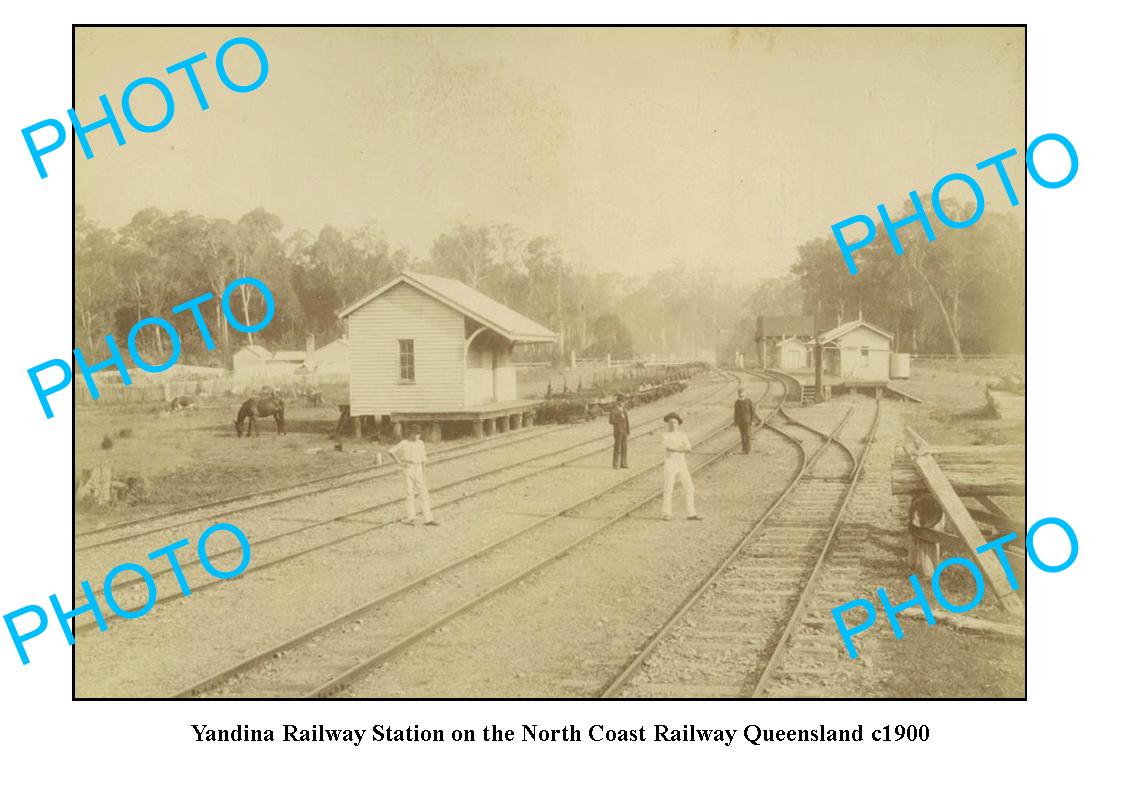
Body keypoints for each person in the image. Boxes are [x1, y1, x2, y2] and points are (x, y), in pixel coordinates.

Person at [388, 424, 438, 526]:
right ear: (411, 433)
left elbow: (424, 460)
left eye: (419, 434)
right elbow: (391, 452)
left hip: (419, 468)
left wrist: (424, 474)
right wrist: (400, 463)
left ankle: (428, 519)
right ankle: (412, 518)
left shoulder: (421, 443)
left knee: (423, 493)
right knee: (409, 493)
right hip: (408, 468)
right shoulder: (404, 443)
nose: (418, 436)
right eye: (416, 434)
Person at [661, 412, 701, 521]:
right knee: (668, 488)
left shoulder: (682, 434)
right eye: (671, 422)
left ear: (678, 423)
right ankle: (667, 513)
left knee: (689, 487)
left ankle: (691, 513)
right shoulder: (665, 435)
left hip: (682, 463)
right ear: (668, 424)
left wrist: (676, 449)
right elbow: (668, 448)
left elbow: (689, 448)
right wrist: (680, 448)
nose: (673, 424)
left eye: (675, 422)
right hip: (670, 462)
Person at [609, 394, 630, 468]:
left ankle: (623, 464)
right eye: (622, 402)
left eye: (624, 402)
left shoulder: (624, 409)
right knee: (617, 448)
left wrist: (627, 431)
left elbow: (627, 421)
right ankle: (615, 465)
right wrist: (620, 419)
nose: (624, 403)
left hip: (624, 432)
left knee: (624, 448)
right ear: (618, 402)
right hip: (618, 432)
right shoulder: (613, 410)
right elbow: (611, 421)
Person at [733, 387, 755, 454]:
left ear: (745, 393)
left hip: (747, 421)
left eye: (742, 393)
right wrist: (736, 421)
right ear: (738, 394)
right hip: (740, 422)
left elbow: (753, 411)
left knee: (747, 435)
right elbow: (735, 412)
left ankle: (748, 449)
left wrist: (752, 420)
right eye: (740, 393)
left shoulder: (749, 401)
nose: (741, 394)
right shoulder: (737, 402)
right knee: (742, 436)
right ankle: (743, 449)